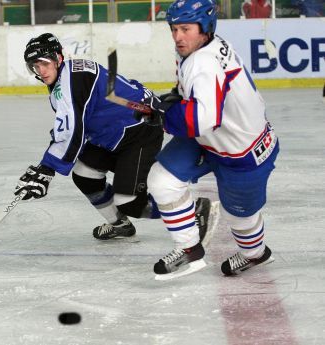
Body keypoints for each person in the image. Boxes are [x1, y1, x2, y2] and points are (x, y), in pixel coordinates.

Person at [14, 33, 212, 242]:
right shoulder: (65, 79)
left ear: (58, 58)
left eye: (44, 63)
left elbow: (73, 129)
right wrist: (46, 165)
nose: (40, 71)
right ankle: (120, 224)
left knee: (130, 201)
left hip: (138, 131)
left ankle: (191, 212)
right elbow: (72, 126)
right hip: (113, 133)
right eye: (35, 66)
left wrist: (46, 169)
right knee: (84, 175)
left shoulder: (73, 79)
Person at [135, 0, 279, 279]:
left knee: (240, 218)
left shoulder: (203, 62)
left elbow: (202, 120)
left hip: (243, 151)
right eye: (174, 29)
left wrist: (164, 115)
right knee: (162, 180)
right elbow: (199, 100)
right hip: (211, 139)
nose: (178, 37)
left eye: (185, 28)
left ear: (205, 27)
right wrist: (173, 100)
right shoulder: (202, 46)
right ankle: (189, 249)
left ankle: (255, 254)